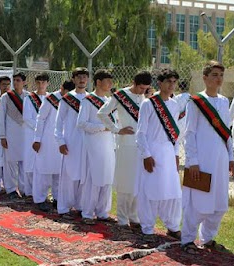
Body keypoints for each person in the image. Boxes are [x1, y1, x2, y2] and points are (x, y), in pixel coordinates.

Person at [181, 60, 234, 254]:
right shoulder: (195, 102)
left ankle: (208, 238)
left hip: (220, 159)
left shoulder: (224, 101)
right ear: (204, 77)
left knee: (219, 201)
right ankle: (187, 239)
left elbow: (227, 131)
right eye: (214, 75)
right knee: (199, 200)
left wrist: (231, 156)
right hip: (202, 159)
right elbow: (189, 133)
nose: (218, 79)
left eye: (221, 75)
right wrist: (193, 161)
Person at [98, 70, 152, 230]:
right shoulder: (121, 95)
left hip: (142, 145)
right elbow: (102, 113)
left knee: (137, 182)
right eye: (141, 88)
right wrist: (116, 129)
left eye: (146, 88)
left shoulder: (146, 97)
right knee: (125, 182)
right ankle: (122, 218)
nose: (143, 91)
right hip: (126, 143)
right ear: (134, 83)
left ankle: (134, 216)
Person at [136, 68, 182, 242]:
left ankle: (173, 226)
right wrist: (146, 155)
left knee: (172, 191)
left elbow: (176, 134)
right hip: (152, 151)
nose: (171, 85)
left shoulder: (175, 104)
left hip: (169, 152)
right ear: (160, 83)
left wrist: (176, 154)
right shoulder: (148, 104)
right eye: (168, 81)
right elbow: (141, 133)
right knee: (150, 190)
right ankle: (147, 227)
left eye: (174, 82)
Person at [77, 69, 117, 224]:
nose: (110, 84)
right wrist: (102, 127)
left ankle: (103, 212)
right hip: (93, 145)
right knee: (92, 179)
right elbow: (81, 123)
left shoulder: (109, 101)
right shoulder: (88, 101)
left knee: (107, 178)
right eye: (107, 81)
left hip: (108, 144)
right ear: (98, 82)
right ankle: (87, 212)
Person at [32, 80, 74, 212]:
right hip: (47, 140)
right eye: (65, 92)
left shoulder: (72, 100)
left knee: (58, 172)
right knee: (44, 171)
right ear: (61, 88)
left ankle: (57, 198)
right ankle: (40, 199)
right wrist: (37, 139)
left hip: (62, 140)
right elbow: (40, 118)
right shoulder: (50, 99)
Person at [55, 67, 89, 219]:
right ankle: (63, 208)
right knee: (68, 175)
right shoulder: (67, 98)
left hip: (87, 143)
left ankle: (81, 206)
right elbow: (58, 122)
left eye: (85, 77)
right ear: (74, 79)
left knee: (84, 175)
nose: (82, 79)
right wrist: (60, 141)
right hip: (70, 142)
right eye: (79, 76)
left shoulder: (91, 98)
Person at [0, 72, 29, 199]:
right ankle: (11, 189)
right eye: (14, 80)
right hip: (10, 134)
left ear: (24, 82)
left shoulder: (29, 96)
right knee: (10, 163)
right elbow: (1, 117)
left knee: (24, 163)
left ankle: (24, 189)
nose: (16, 82)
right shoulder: (6, 97)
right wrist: (2, 136)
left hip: (25, 134)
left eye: (18, 80)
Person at [23, 73, 49, 198]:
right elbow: (27, 118)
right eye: (38, 82)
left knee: (44, 162)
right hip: (31, 133)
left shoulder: (50, 98)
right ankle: (28, 191)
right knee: (30, 161)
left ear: (47, 83)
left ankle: (42, 191)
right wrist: (40, 128)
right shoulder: (29, 98)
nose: (41, 84)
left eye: (43, 82)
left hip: (46, 135)